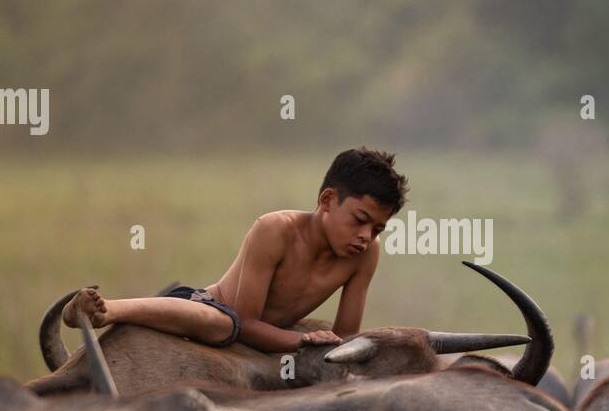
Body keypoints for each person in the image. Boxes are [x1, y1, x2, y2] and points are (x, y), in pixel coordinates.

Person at [61, 147, 408, 353]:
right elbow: (245, 322)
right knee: (222, 324)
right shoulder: (276, 229)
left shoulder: (366, 253)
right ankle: (105, 312)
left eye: (377, 228)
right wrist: (300, 342)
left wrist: (328, 344)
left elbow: (345, 336)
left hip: (258, 329)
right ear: (328, 200)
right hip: (211, 309)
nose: (366, 235)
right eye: (360, 220)